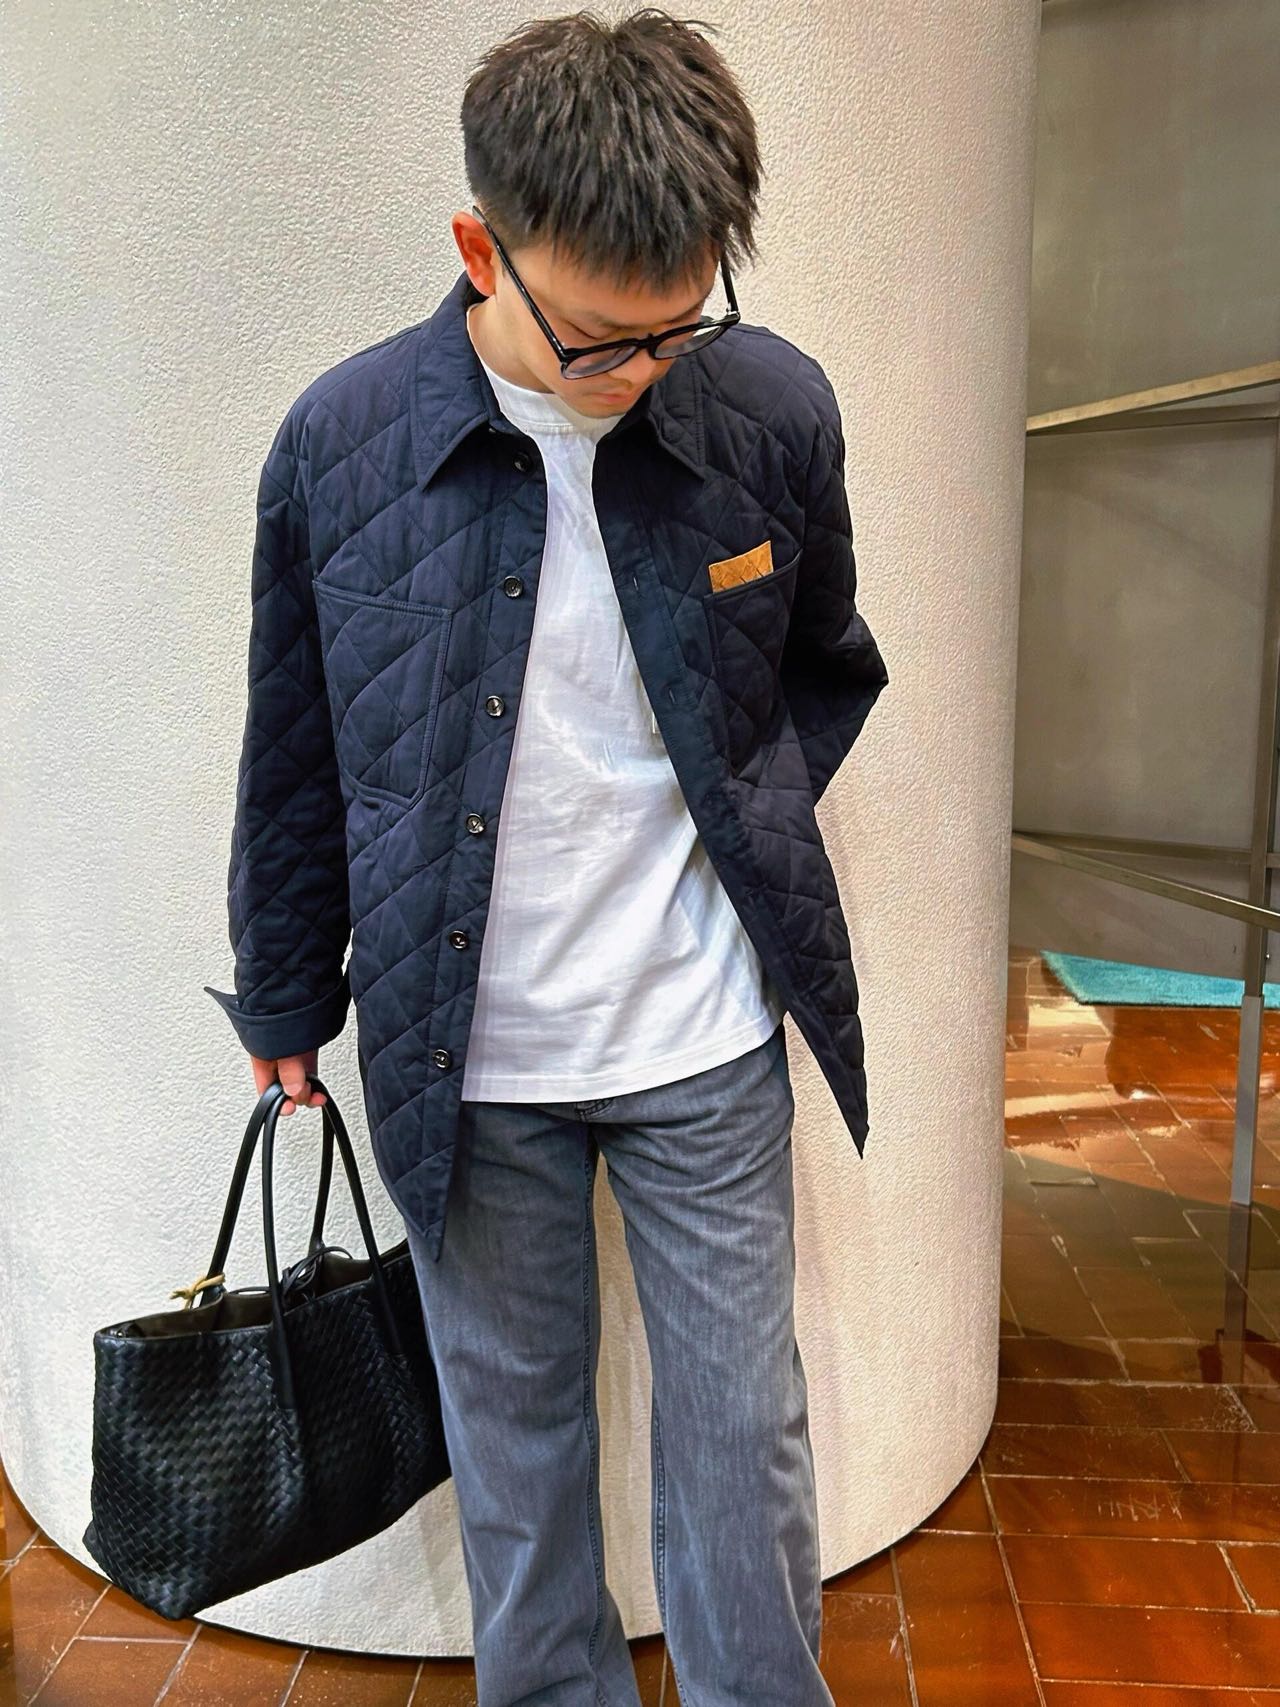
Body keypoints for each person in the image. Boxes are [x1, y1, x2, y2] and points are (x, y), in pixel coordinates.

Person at [205, 7, 889, 1703]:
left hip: (702, 1038)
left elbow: (826, 665)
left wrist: (746, 816)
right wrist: (284, 988)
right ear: (479, 248)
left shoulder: (770, 408)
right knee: (515, 1474)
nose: (644, 370)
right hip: (466, 1056)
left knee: (745, 1455)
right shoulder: (345, 445)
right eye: (599, 343)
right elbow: (296, 747)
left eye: (678, 328)